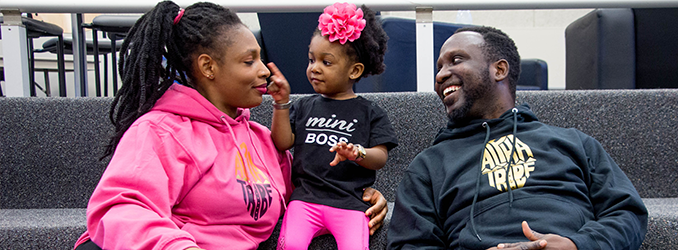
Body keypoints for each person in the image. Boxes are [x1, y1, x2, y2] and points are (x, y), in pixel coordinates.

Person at [72, 1, 387, 250]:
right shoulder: (161, 131)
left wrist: (358, 193)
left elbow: (310, 182)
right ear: (208, 66)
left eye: (261, 59)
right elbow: (119, 209)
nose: (265, 71)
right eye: (249, 61)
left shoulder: (260, 139)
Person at [387, 26, 648, 250]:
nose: (441, 75)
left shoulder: (573, 142)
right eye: (440, 66)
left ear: (499, 70)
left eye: (456, 60)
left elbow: (627, 212)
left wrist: (577, 245)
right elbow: (410, 243)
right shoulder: (428, 166)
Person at [267, 2, 398, 250]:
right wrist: (281, 103)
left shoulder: (370, 112)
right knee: (290, 245)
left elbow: (380, 157)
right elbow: (282, 142)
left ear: (354, 70)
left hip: (350, 202)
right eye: (311, 59)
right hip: (305, 200)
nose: (314, 68)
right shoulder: (304, 106)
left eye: (326, 62)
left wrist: (357, 153)